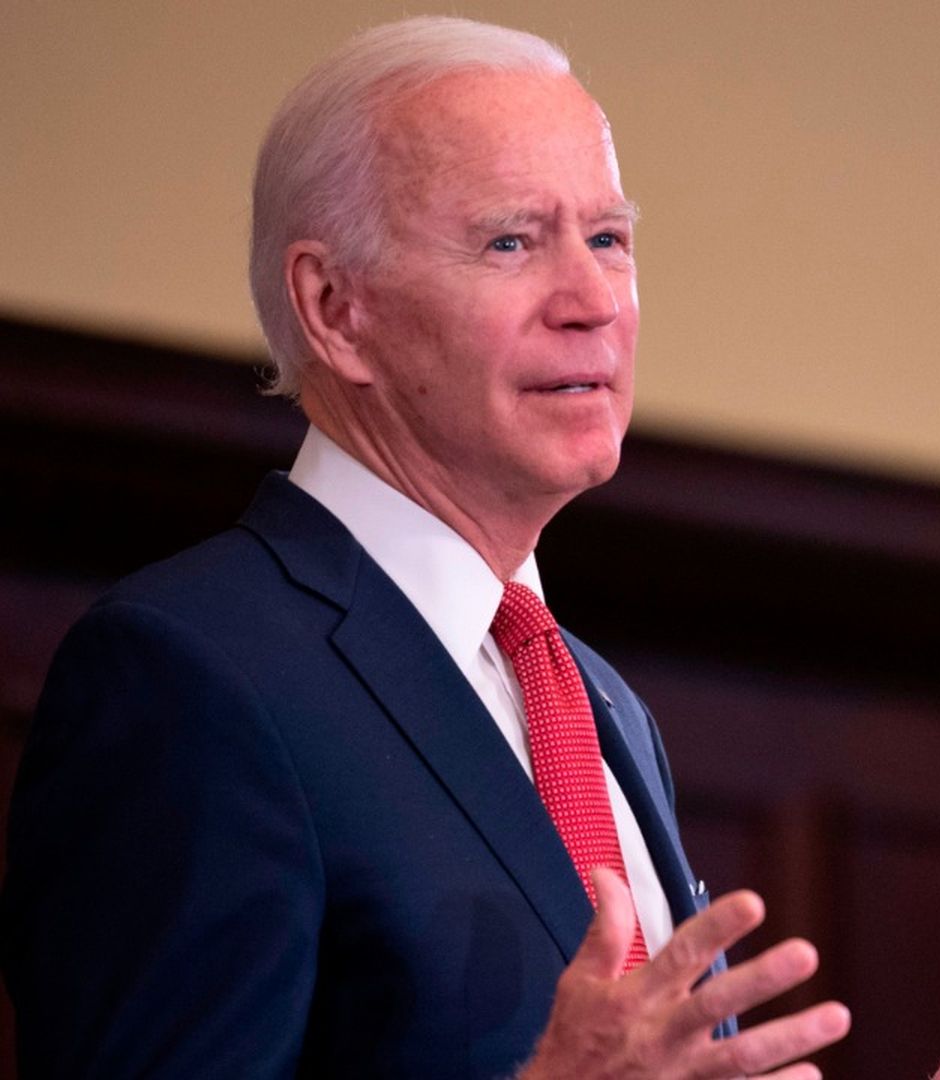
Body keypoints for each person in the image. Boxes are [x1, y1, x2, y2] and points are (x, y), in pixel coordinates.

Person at [1, 17, 850, 1078]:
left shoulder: (603, 703)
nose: (593, 302)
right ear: (335, 310)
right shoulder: (187, 675)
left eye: (607, 239)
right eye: (511, 242)